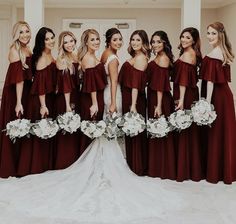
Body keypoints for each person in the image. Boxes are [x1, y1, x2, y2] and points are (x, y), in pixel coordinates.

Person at [0, 28, 185, 223]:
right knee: (102, 132)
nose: (118, 42)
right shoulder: (101, 57)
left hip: (108, 96)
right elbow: (105, 82)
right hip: (105, 97)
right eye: (114, 39)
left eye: (120, 39)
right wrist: (111, 102)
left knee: (106, 131)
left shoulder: (102, 55)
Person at [17, 27, 56, 176]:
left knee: (45, 133)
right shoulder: (41, 58)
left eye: (52, 37)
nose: (51, 41)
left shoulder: (50, 55)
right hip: (41, 101)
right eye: (47, 39)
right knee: (40, 132)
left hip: (48, 98)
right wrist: (43, 106)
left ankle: (45, 165)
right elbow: (40, 86)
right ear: (41, 41)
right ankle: (36, 167)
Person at [200, 22, 236, 184]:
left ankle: (216, 172)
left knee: (217, 132)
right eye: (208, 33)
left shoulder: (216, 52)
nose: (209, 36)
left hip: (218, 97)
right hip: (225, 96)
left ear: (220, 34)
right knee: (224, 132)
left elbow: (210, 82)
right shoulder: (223, 51)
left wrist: (207, 104)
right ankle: (225, 172)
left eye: (213, 33)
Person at [0, 21, 32, 178]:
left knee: (23, 126)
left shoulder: (27, 48)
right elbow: (19, 80)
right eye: (21, 32)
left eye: (27, 31)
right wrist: (19, 102)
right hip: (15, 94)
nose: (25, 34)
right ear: (15, 35)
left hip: (25, 91)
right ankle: (10, 166)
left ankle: (21, 164)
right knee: (15, 125)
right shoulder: (15, 51)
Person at [172, 27, 203, 182]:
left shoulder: (188, 54)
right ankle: (192, 168)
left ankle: (184, 169)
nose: (184, 39)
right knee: (189, 130)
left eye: (188, 38)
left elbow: (183, 80)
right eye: (182, 36)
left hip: (185, 95)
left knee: (185, 128)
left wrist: (181, 100)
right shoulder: (192, 54)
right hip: (190, 93)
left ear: (194, 40)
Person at [119, 30, 150, 175]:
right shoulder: (135, 56)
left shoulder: (141, 58)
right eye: (133, 39)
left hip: (134, 100)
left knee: (135, 130)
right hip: (128, 97)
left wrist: (133, 105)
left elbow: (136, 85)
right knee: (130, 131)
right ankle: (131, 164)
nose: (134, 42)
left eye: (138, 40)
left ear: (144, 42)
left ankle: (138, 167)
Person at [147, 31, 176, 179]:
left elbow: (160, 85)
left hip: (160, 99)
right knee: (156, 131)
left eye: (158, 42)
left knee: (161, 130)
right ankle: (156, 166)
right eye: (153, 42)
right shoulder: (157, 56)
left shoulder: (163, 59)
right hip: (153, 96)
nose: (155, 44)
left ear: (164, 43)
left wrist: (158, 105)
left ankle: (164, 169)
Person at [77, 29, 107, 155]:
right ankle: (86, 159)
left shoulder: (93, 56)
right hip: (91, 99)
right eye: (92, 39)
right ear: (86, 42)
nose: (96, 42)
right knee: (91, 129)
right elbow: (91, 85)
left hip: (96, 97)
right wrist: (94, 104)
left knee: (95, 129)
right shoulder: (88, 58)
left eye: (97, 39)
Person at [54, 31, 81, 169]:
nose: (69, 44)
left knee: (74, 130)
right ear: (61, 45)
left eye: (71, 41)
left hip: (76, 95)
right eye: (66, 42)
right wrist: (67, 106)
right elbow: (65, 85)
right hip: (66, 99)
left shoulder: (76, 57)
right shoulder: (62, 59)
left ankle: (75, 161)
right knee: (67, 128)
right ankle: (64, 163)